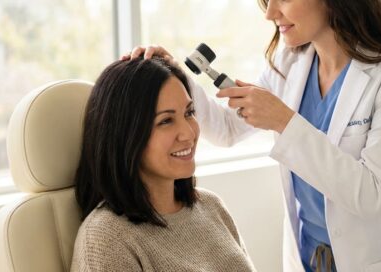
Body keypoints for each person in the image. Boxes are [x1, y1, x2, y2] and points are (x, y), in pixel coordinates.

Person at [125, 0, 381, 271]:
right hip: (309, 256)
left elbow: (372, 194)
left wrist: (284, 121)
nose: (270, 13)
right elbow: (226, 130)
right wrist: (177, 75)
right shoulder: (290, 63)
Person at [70, 57, 255, 272]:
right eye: (165, 121)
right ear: (126, 135)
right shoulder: (106, 238)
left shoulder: (211, 205)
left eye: (189, 113)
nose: (188, 133)